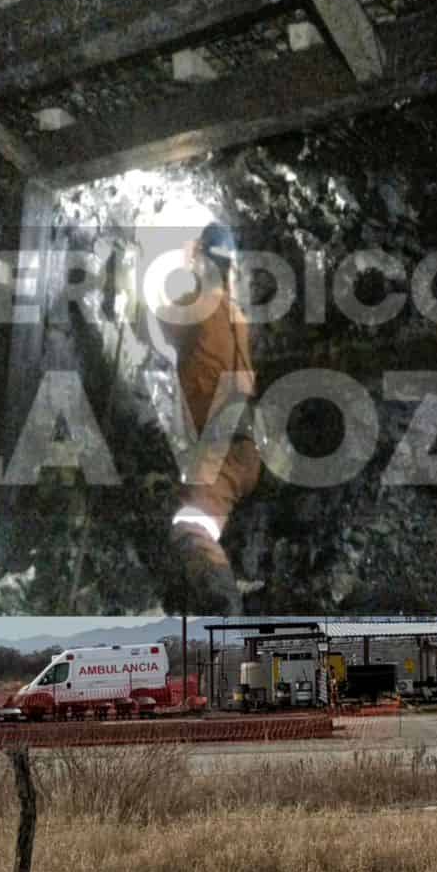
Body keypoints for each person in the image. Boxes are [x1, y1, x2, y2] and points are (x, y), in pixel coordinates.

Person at [162, 221, 261, 614]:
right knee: (204, 521)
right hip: (248, 451)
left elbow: (157, 319)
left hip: (223, 445)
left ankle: (227, 620)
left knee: (191, 527)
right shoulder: (239, 318)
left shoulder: (201, 305)